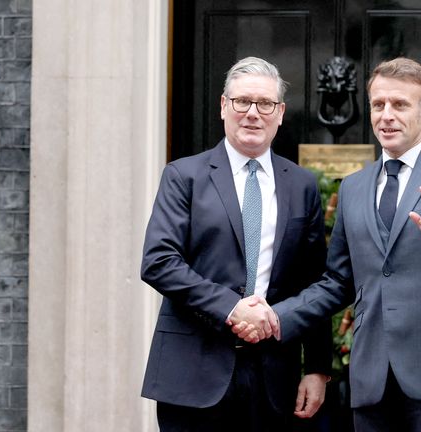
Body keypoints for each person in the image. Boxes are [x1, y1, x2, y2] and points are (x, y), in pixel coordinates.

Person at [234, 57, 421, 431]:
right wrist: (277, 316)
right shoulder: (353, 187)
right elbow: (338, 282)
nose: (386, 115)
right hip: (372, 380)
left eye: (400, 105)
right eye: (378, 105)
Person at [140, 56, 332, 432]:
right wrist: (232, 308)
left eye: (265, 104)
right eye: (242, 101)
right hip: (194, 373)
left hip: (275, 377)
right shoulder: (184, 176)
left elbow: (313, 281)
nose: (252, 113)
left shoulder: (302, 185)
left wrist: (318, 369)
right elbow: (158, 261)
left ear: (280, 114)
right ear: (224, 106)